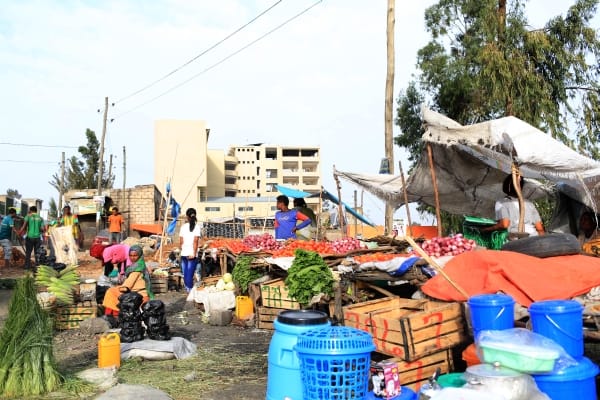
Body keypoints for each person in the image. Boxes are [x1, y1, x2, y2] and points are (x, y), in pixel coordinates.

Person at [102, 245, 154, 321]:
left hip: (138, 293)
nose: (132, 258)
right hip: (133, 290)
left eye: (135, 256)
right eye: (130, 255)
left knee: (110, 292)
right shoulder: (136, 265)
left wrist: (123, 288)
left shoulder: (137, 268)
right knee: (112, 291)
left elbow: (130, 282)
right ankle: (111, 315)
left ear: (139, 255)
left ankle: (114, 315)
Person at [179, 207, 201, 293]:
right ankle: (190, 290)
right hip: (191, 253)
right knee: (190, 273)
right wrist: (194, 253)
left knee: (186, 273)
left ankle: (188, 289)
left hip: (184, 253)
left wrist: (182, 249)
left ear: (187, 217)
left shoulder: (183, 227)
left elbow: (181, 242)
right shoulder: (197, 227)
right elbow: (195, 241)